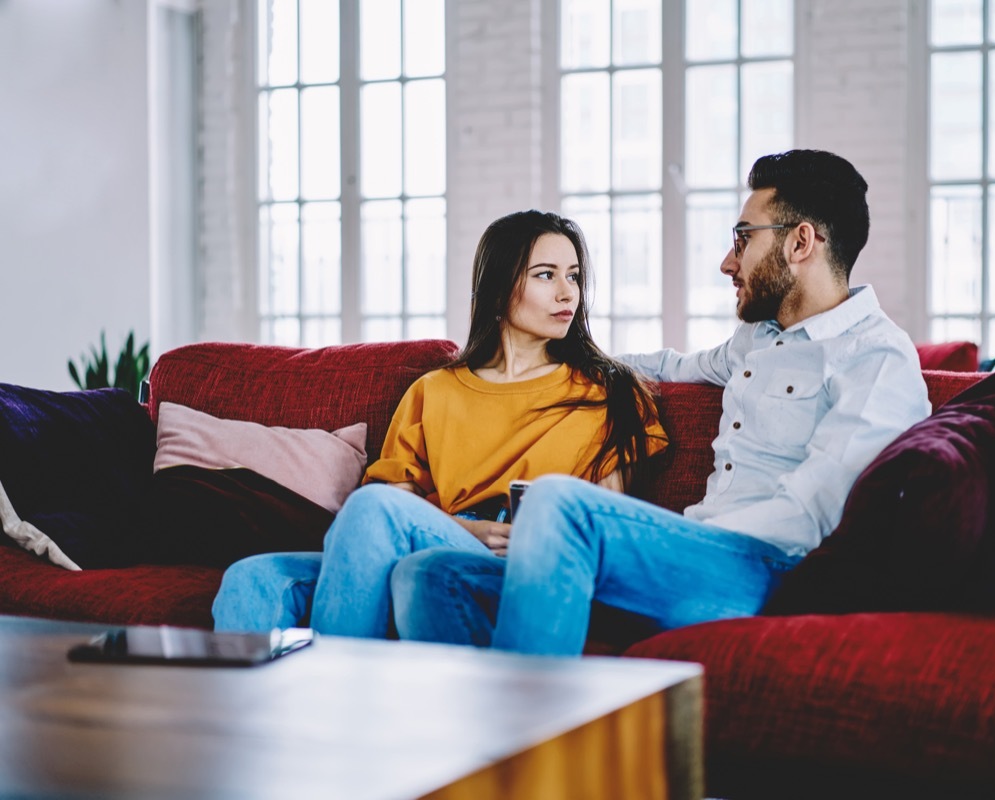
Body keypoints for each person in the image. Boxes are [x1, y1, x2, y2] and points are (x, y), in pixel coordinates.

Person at [389, 149, 932, 656]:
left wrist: (683, 537)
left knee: (557, 502)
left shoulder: (876, 358)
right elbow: (672, 366)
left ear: (800, 243)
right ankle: (477, 724)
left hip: (771, 570)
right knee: (432, 574)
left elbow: (812, 515)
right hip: (695, 557)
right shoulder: (760, 339)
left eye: (743, 239)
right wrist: (561, 366)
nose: (727, 262)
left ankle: (542, 725)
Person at [211, 210, 667, 638]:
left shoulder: (608, 392)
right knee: (250, 578)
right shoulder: (434, 390)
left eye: (574, 276)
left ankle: (340, 683)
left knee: (376, 511)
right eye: (546, 275)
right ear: (498, 289)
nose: (568, 293)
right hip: (438, 536)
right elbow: (393, 505)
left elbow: (603, 525)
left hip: (518, 560)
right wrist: (466, 530)